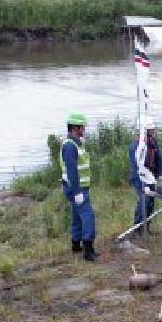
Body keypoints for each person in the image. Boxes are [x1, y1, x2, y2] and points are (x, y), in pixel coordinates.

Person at [60, 112, 98, 262]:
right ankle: (88, 250)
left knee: (77, 215)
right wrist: (77, 192)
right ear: (75, 128)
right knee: (88, 216)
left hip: (78, 187)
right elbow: (72, 170)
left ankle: (76, 244)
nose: (84, 129)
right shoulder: (70, 146)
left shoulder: (75, 144)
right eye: (82, 127)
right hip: (77, 188)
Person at [128, 119, 162, 231]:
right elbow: (136, 168)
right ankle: (138, 228)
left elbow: (159, 159)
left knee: (150, 204)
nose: (153, 133)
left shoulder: (153, 144)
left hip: (150, 177)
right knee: (144, 201)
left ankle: (146, 228)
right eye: (151, 131)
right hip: (139, 178)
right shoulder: (135, 147)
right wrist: (143, 184)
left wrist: (161, 174)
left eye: (153, 131)